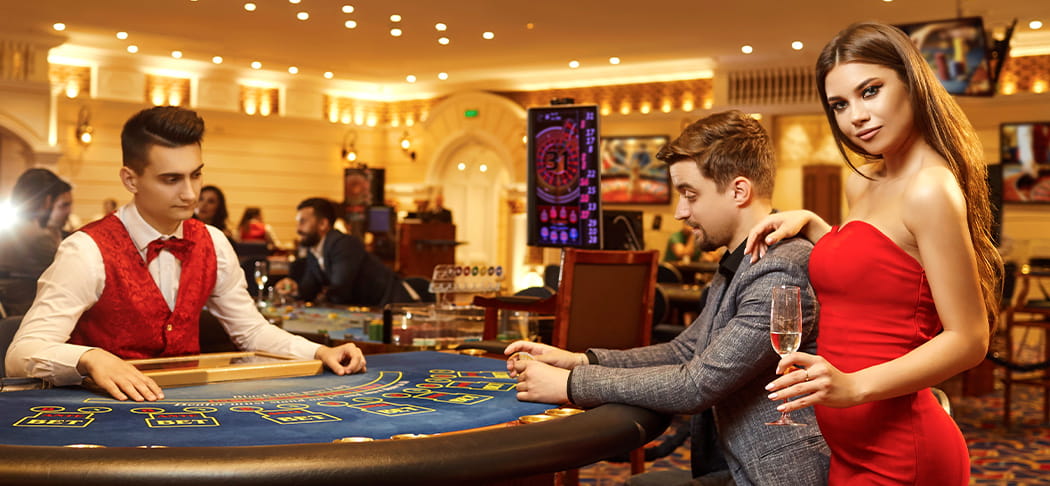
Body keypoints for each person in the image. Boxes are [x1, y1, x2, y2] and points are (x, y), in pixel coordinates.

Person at [506, 110, 829, 485]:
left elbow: (697, 384)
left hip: (773, 474)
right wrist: (579, 359)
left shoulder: (780, 266)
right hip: (735, 463)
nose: (680, 212)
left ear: (739, 191)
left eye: (690, 195)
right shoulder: (746, 258)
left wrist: (570, 384)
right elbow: (682, 352)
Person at [745, 22, 1002, 485]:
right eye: (840, 105)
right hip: (849, 448)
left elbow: (969, 339)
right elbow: (885, 275)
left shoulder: (930, 189)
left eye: (871, 91)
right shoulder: (862, 179)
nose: (855, 117)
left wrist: (852, 386)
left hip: (904, 451)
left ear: (911, 82)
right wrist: (815, 225)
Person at [6, 106, 366, 402]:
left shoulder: (213, 242)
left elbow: (251, 331)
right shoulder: (85, 250)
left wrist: (318, 351)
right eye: (171, 179)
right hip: (100, 412)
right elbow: (21, 353)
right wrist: (89, 358)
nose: (191, 194)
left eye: (196, 175)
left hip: (188, 405)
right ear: (131, 180)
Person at [276, 197, 417, 307]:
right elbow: (309, 289)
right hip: (369, 310)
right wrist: (294, 288)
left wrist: (320, 300)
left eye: (303, 222)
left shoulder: (343, 244)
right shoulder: (314, 250)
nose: (297, 229)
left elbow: (340, 290)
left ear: (323, 224)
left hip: (390, 306)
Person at [0, 168, 71, 316]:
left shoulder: (10, 231)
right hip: (28, 317)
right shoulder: (38, 238)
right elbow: (70, 278)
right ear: (47, 201)